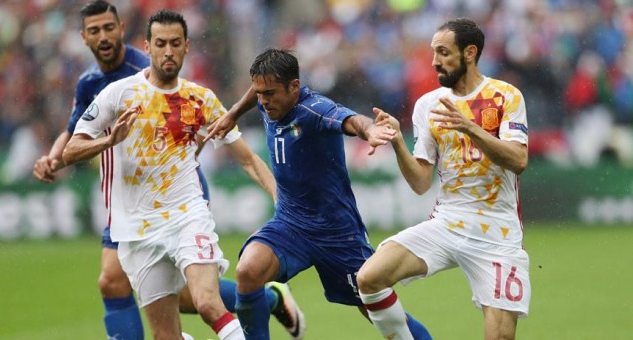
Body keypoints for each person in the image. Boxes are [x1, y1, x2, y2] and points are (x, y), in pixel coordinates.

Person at [33, 2, 302, 339]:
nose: (168, 51)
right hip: (136, 228)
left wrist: (282, 199)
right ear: (148, 47)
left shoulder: (199, 99)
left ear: (187, 47)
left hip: (186, 214)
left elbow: (247, 158)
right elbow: (72, 148)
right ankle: (268, 300)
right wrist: (108, 141)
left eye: (176, 43)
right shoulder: (117, 93)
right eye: (160, 44)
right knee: (165, 333)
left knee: (207, 304)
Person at [205, 48, 431, 340]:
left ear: (294, 87)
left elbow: (351, 120)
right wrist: (233, 113)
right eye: (259, 93)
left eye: (270, 93)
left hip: (336, 233)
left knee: (384, 317)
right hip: (291, 223)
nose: (263, 100)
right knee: (248, 271)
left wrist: (370, 130)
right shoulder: (269, 100)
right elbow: (258, 90)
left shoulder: (314, 110)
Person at [356, 18, 531, 340]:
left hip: (497, 230)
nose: (434, 61)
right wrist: (397, 141)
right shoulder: (428, 105)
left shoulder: (505, 95)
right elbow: (422, 182)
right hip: (448, 221)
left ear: (470, 53)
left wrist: (471, 128)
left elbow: (518, 160)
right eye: (433, 52)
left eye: (443, 52)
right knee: (369, 278)